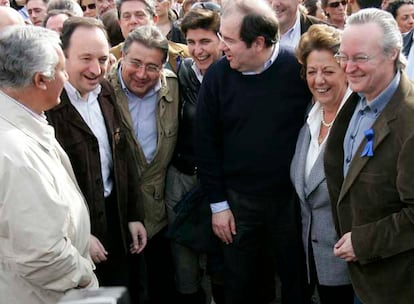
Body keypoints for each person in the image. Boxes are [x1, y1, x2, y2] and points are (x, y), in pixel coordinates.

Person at [195, 0, 312, 303]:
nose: (222, 47)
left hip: (289, 202)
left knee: (295, 281)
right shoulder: (217, 77)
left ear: (259, 42)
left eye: (230, 40)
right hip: (236, 204)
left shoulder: (297, 71)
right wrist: (218, 206)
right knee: (240, 286)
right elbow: (205, 143)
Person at [46, 17, 147, 304]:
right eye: (85, 58)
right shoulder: (49, 107)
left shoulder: (105, 91)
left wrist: (133, 215)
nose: (96, 69)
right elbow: (48, 187)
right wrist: (78, 237)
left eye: (103, 59)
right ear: (62, 57)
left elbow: (122, 156)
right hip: (77, 240)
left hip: (114, 222)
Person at [0, 25, 98, 304]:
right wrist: (85, 276)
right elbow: (43, 255)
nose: (66, 78)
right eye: (62, 70)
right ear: (41, 80)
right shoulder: (17, 154)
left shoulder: (23, 123)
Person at [324, 8, 414, 304]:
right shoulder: (359, 97)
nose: (348, 68)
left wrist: (362, 243)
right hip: (359, 275)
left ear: (393, 53)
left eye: (361, 58)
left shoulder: (409, 120)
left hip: (394, 285)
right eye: (343, 57)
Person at [107, 25, 179, 304]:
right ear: (121, 57)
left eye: (151, 67)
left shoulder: (172, 87)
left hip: (159, 213)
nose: (141, 74)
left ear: (163, 67)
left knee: (162, 283)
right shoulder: (102, 90)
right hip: (118, 212)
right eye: (135, 63)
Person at [291, 24, 353, 304]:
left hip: (352, 270)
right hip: (313, 264)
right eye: (312, 72)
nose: (319, 80)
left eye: (328, 71)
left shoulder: (359, 122)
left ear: (346, 70)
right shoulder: (310, 115)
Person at [165, 6, 222, 304]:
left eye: (205, 41)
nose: (197, 50)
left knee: (220, 262)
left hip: (218, 185)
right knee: (184, 262)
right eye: (191, 42)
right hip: (183, 178)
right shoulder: (181, 71)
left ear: (221, 40)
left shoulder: (234, 76)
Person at [110, 0, 189, 73]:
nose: (133, 21)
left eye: (140, 15)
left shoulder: (184, 55)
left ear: (154, 20)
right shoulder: (109, 58)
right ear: (120, 23)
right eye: (127, 16)